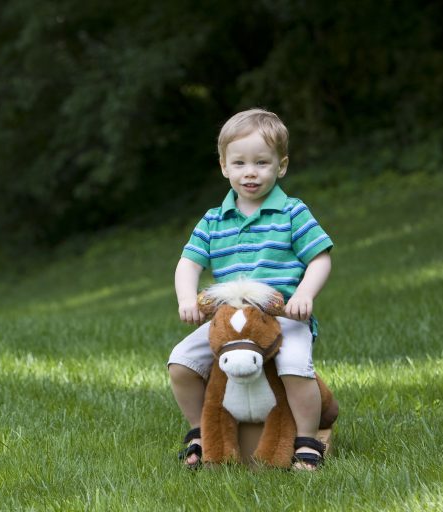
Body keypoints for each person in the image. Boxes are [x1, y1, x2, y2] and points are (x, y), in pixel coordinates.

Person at [168, 108, 333, 471]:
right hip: (227, 318)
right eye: (239, 163)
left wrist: (304, 294)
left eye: (262, 162)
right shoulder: (214, 220)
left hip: (282, 315)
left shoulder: (292, 212)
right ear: (224, 166)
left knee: (293, 367)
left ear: (281, 165)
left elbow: (320, 258)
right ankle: (199, 432)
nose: (250, 172)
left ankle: (307, 441)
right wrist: (186, 298)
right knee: (181, 362)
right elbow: (188, 264)